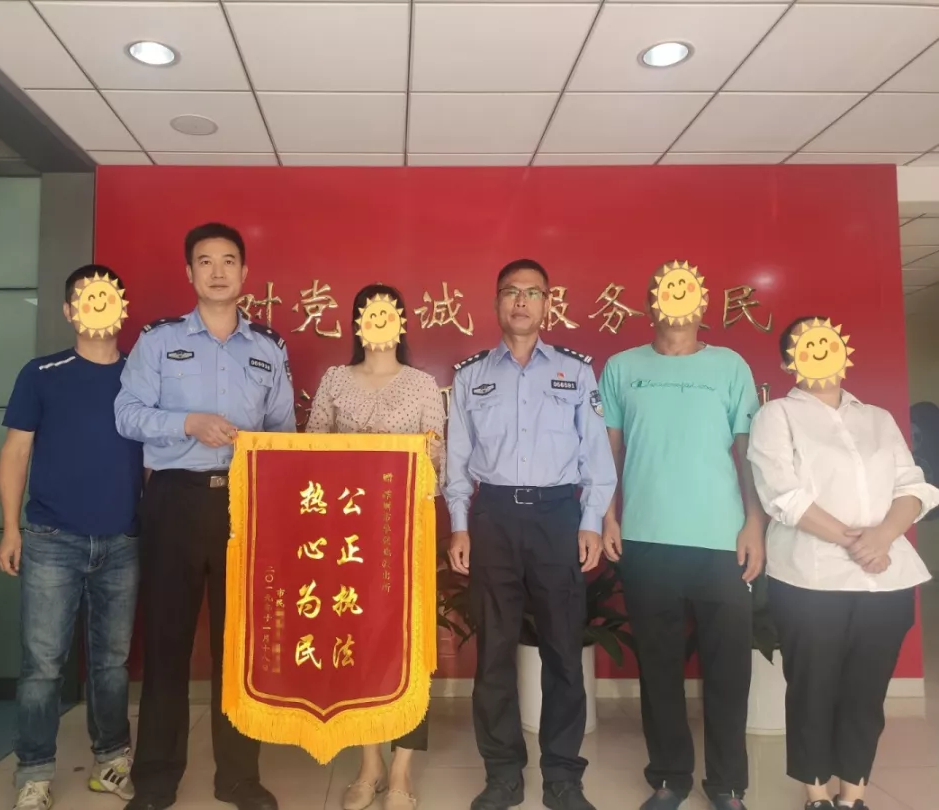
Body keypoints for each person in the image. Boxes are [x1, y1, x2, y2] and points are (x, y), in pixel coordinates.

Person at [114, 223, 295, 810]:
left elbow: (283, 432)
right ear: (188, 272)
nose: (218, 271)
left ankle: (238, 777)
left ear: (246, 274)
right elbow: (126, 415)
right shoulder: (158, 341)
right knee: (166, 644)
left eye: (228, 261)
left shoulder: (268, 348)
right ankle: (156, 779)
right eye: (205, 261)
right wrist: (187, 423)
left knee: (238, 646)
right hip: (175, 499)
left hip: (245, 505)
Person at [747, 316, 939, 810]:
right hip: (811, 581)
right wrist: (856, 542)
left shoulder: (877, 418)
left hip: (886, 579)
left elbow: (913, 485)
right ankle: (816, 794)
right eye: (807, 345)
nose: (820, 351)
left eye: (828, 342)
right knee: (812, 690)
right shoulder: (777, 416)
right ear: (789, 361)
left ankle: (852, 795)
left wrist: (884, 535)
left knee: (865, 693)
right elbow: (782, 494)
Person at [445, 259, 615, 810]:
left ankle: (563, 776)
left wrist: (590, 522)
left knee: (563, 650)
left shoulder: (575, 372)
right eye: (511, 292)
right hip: (493, 516)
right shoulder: (471, 376)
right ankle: (503, 775)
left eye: (532, 292)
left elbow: (597, 456)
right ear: (497, 302)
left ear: (547, 303)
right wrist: (459, 526)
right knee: (494, 652)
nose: (521, 301)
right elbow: (456, 460)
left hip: (556, 517)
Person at [598, 261, 765, 810]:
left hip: (723, 541)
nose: (674, 299)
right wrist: (607, 516)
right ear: (650, 304)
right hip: (648, 540)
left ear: (702, 302)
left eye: (685, 290)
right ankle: (669, 777)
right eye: (664, 291)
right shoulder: (622, 368)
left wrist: (754, 523)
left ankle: (728, 785)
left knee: (728, 670)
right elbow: (608, 451)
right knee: (659, 667)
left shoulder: (730, 366)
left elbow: (748, 453)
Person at [0, 264, 143, 810]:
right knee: (42, 666)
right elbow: (15, 452)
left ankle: (111, 760)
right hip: (51, 539)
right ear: (68, 310)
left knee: (111, 663)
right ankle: (34, 774)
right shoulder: (42, 373)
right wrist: (10, 528)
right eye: (86, 296)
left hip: (123, 541)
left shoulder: (142, 376)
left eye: (107, 296)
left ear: (121, 306)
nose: (97, 304)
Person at [304, 284, 445, 810]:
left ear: (402, 322)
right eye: (371, 313)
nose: (380, 321)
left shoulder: (423, 385)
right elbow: (311, 452)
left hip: (404, 535)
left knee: (410, 649)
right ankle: (369, 763)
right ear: (357, 322)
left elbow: (437, 464)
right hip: (347, 539)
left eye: (390, 313)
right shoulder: (335, 380)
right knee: (356, 645)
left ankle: (402, 769)